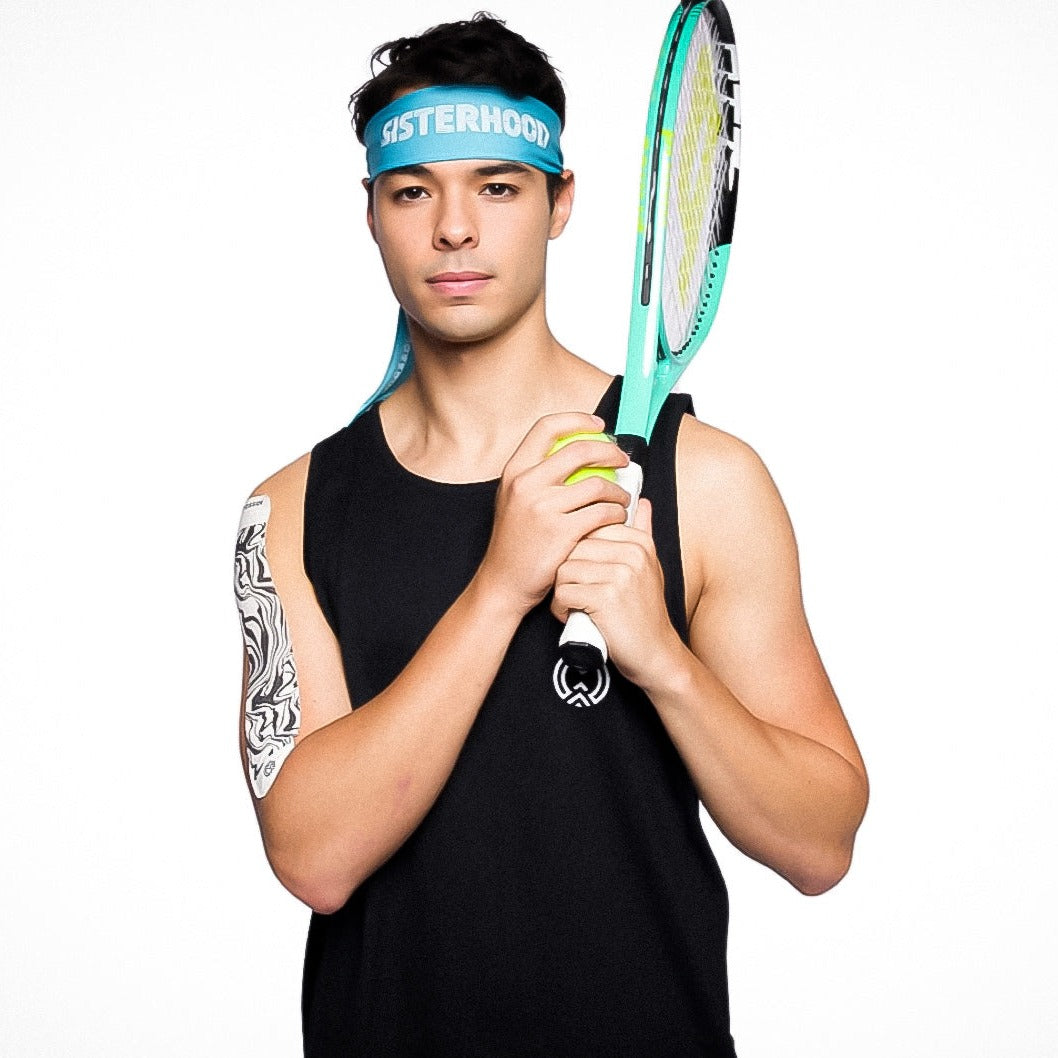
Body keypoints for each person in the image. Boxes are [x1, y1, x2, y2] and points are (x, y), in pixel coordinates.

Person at [233, 13, 868, 1056]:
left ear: (558, 202)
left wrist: (662, 658)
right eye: (411, 191)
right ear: (371, 212)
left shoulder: (701, 480)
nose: (453, 229)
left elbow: (819, 841)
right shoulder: (292, 508)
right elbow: (316, 855)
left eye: (495, 186)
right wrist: (498, 585)